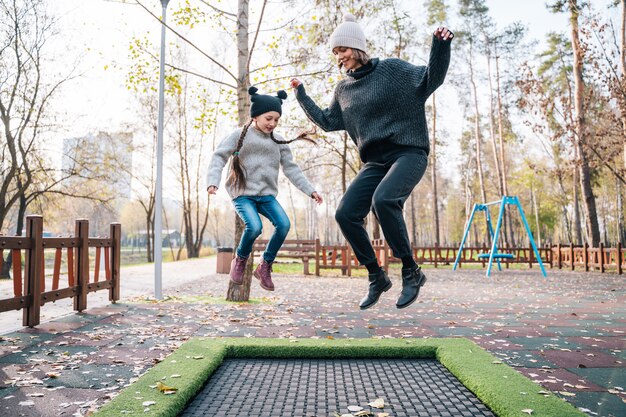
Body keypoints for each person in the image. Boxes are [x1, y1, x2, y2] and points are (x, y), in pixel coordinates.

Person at [290, 13, 453, 310]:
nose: (339, 57)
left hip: (408, 152)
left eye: (343, 50)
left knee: (384, 201)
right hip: (375, 163)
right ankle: (377, 277)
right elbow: (328, 122)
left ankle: (411, 271)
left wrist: (440, 45)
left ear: (358, 47)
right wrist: (301, 94)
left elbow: (432, 77)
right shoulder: (344, 90)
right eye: (335, 53)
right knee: (345, 213)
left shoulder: (392, 70)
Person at [207, 86, 323, 291]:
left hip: (266, 196)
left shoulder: (278, 141)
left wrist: (310, 190)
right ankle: (240, 260)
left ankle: (265, 265)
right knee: (254, 227)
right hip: (243, 195)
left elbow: (291, 169)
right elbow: (219, 156)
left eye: (276, 120)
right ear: (256, 116)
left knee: (284, 224)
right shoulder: (239, 135)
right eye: (269, 118)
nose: (273, 123)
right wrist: (213, 181)